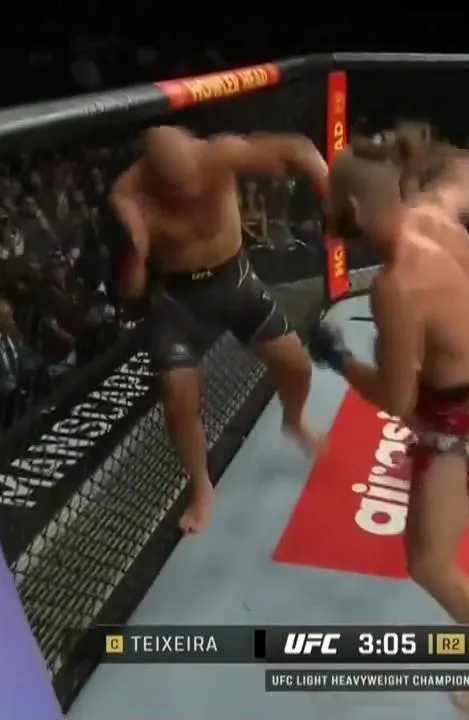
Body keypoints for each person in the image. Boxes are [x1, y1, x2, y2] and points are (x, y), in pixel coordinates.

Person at [309, 130, 469, 715]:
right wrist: (415, 152)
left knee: (429, 563)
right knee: (444, 519)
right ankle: (456, 504)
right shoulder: (434, 212)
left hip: (455, 424)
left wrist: (340, 360)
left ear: (355, 208)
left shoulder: (395, 285)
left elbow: (397, 401)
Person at [110, 126, 328, 534]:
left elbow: (296, 148)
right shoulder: (128, 196)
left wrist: (325, 181)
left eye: (191, 181)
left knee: (298, 366)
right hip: (179, 301)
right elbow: (131, 290)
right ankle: (201, 484)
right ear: (153, 180)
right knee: (178, 395)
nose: (190, 193)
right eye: (177, 190)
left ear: (197, 156)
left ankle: (294, 420)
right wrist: (137, 250)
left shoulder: (220, 154)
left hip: (235, 282)